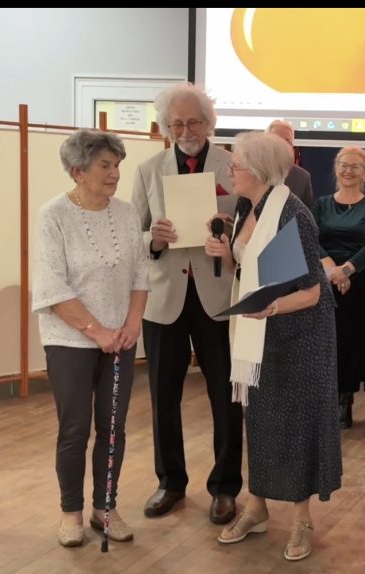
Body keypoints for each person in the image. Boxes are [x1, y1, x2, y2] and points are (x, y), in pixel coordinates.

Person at [205, 131, 341, 561]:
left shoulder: (292, 214)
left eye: (236, 165)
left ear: (259, 170)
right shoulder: (246, 206)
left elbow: (312, 291)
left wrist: (273, 308)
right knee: (260, 420)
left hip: (300, 335)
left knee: (297, 424)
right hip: (260, 331)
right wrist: (224, 254)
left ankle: (301, 519)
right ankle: (257, 507)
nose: (230, 171)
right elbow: (248, 269)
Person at [131, 82, 242, 525]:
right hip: (164, 298)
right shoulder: (147, 170)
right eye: (176, 123)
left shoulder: (234, 165)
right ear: (165, 127)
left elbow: (252, 226)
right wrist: (153, 239)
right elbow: (134, 234)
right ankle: (170, 482)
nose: (185, 131)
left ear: (209, 123)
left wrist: (230, 231)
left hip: (219, 294)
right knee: (163, 396)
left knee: (226, 396)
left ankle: (225, 487)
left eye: (193, 122)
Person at [32, 129, 148, 547]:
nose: (114, 173)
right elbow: (52, 287)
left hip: (120, 339)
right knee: (75, 429)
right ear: (78, 171)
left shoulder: (127, 214)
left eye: (117, 165)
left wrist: (132, 324)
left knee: (113, 428)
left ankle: (105, 508)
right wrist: (96, 332)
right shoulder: (54, 215)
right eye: (105, 165)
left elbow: (140, 274)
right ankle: (71, 513)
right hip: (70, 340)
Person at [312, 147, 365, 429]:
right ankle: (325, 398)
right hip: (325, 280)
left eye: (355, 166)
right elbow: (312, 239)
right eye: (343, 165)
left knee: (351, 340)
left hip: (359, 282)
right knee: (325, 340)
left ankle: (345, 399)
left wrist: (347, 269)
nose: (348, 171)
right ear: (336, 168)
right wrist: (333, 269)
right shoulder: (321, 204)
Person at [267, 119, 314, 208]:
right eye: (278, 140)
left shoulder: (302, 178)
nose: (283, 145)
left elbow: (306, 213)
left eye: (288, 141)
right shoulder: (252, 171)